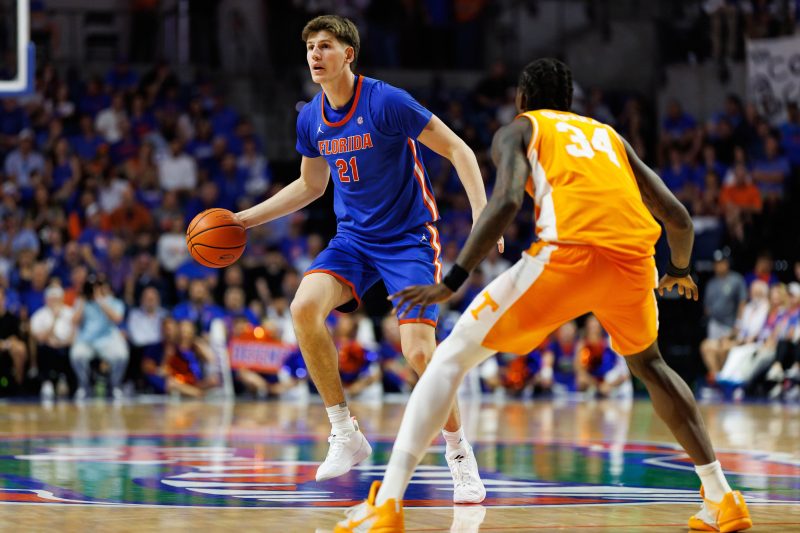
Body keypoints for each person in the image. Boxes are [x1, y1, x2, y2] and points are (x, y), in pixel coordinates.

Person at [334, 58, 752, 533]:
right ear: (569, 102)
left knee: (448, 358)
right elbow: (677, 216)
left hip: (568, 255)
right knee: (651, 366)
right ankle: (723, 498)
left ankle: (388, 503)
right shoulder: (609, 137)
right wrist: (678, 269)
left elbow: (507, 199)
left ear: (522, 98)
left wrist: (454, 278)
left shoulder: (520, 129)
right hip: (634, 261)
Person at [233, 15, 491, 501]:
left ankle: (459, 454)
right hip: (353, 239)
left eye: (325, 45)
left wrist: (483, 214)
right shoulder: (310, 117)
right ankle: (344, 432)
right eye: (310, 46)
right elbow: (310, 185)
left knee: (418, 352)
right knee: (303, 308)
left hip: (408, 238)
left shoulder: (386, 101)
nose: (315, 54)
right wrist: (244, 219)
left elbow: (459, 150)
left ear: (348, 54)